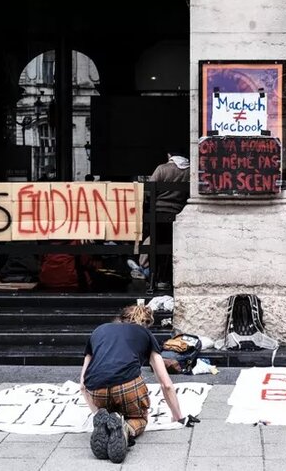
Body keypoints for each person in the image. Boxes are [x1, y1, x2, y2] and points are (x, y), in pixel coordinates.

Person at [80, 304, 186, 463]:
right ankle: (125, 429)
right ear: (146, 323)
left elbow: (82, 385)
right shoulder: (145, 333)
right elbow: (166, 384)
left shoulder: (99, 331)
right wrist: (178, 417)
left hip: (96, 389)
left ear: (120, 318)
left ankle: (103, 423)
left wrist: (96, 413)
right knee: (139, 417)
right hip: (127, 385)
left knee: (109, 413)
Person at [145, 151, 190, 290]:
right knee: (172, 248)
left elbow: (149, 190)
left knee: (157, 247)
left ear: (169, 155)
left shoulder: (162, 169)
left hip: (159, 214)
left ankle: (156, 279)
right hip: (178, 213)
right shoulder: (189, 170)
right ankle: (168, 279)